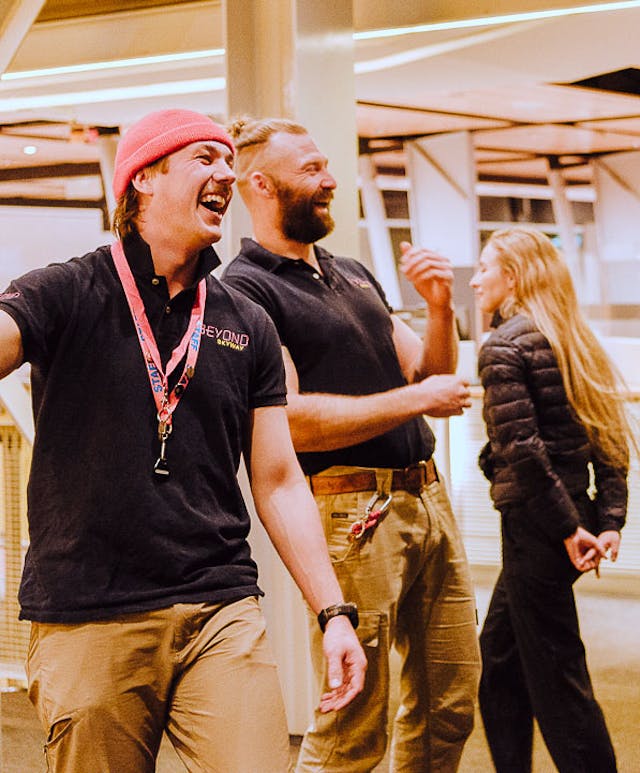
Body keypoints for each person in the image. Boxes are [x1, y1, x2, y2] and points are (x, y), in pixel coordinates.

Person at [0, 108, 366, 773]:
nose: (226, 172)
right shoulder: (71, 289)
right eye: (205, 157)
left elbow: (279, 480)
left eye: (229, 160)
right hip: (90, 610)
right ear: (144, 178)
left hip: (217, 604)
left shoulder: (243, 321)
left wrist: (333, 610)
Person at [222, 117, 481, 773]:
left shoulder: (351, 270)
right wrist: (418, 400)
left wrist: (441, 308)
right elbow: (290, 420)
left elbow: (425, 369)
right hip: (351, 514)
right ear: (260, 183)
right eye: (310, 169)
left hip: (426, 499)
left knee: (450, 701)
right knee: (355, 724)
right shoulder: (245, 289)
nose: (330, 179)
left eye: (326, 165)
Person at [469, 226, 636, 773]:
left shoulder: (504, 346)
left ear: (512, 277)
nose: (475, 280)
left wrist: (567, 531)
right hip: (568, 519)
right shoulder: (574, 340)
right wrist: (607, 519)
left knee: (557, 674)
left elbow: (522, 449)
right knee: (499, 661)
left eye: (485, 268)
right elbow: (611, 442)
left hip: (539, 525)